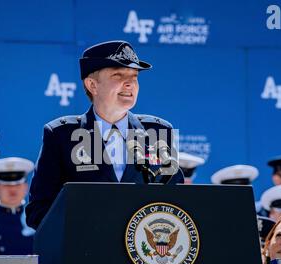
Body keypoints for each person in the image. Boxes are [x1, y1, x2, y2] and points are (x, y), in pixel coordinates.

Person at [25, 40, 184, 230]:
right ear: (92, 85)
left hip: (144, 255)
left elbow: (178, 204)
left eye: (134, 76)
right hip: (85, 254)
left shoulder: (158, 132)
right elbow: (38, 212)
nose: (129, 83)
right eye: (118, 75)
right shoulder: (61, 135)